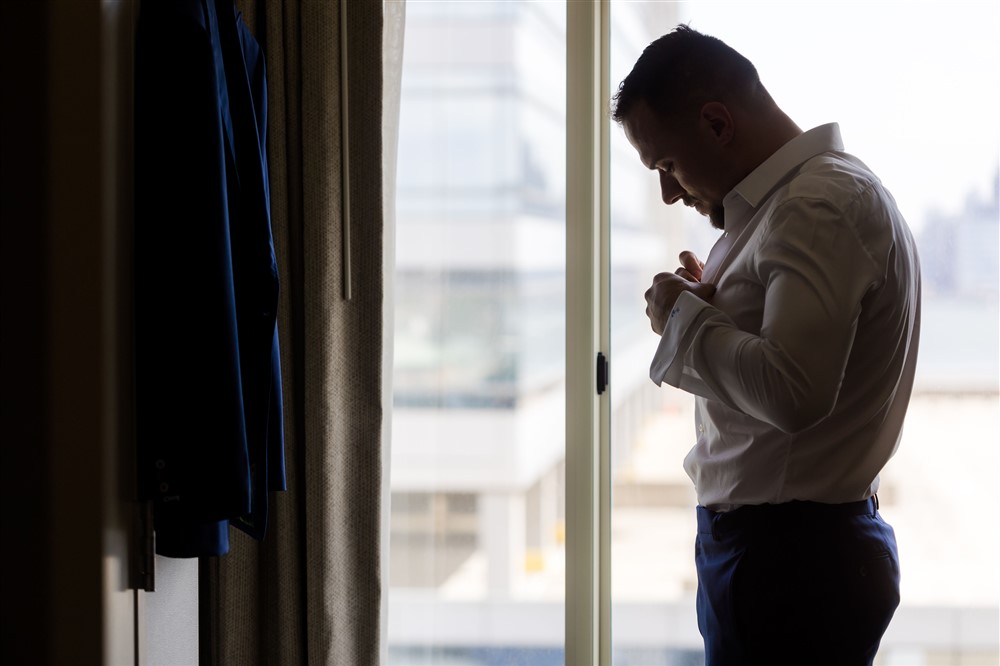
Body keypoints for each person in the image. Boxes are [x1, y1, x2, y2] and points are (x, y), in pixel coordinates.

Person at [611, 25, 921, 665]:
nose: (668, 191)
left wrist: (681, 320)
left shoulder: (817, 205)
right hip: (783, 556)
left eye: (666, 164)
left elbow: (794, 391)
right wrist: (712, 307)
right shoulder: (790, 207)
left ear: (719, 124)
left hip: (790, 564)